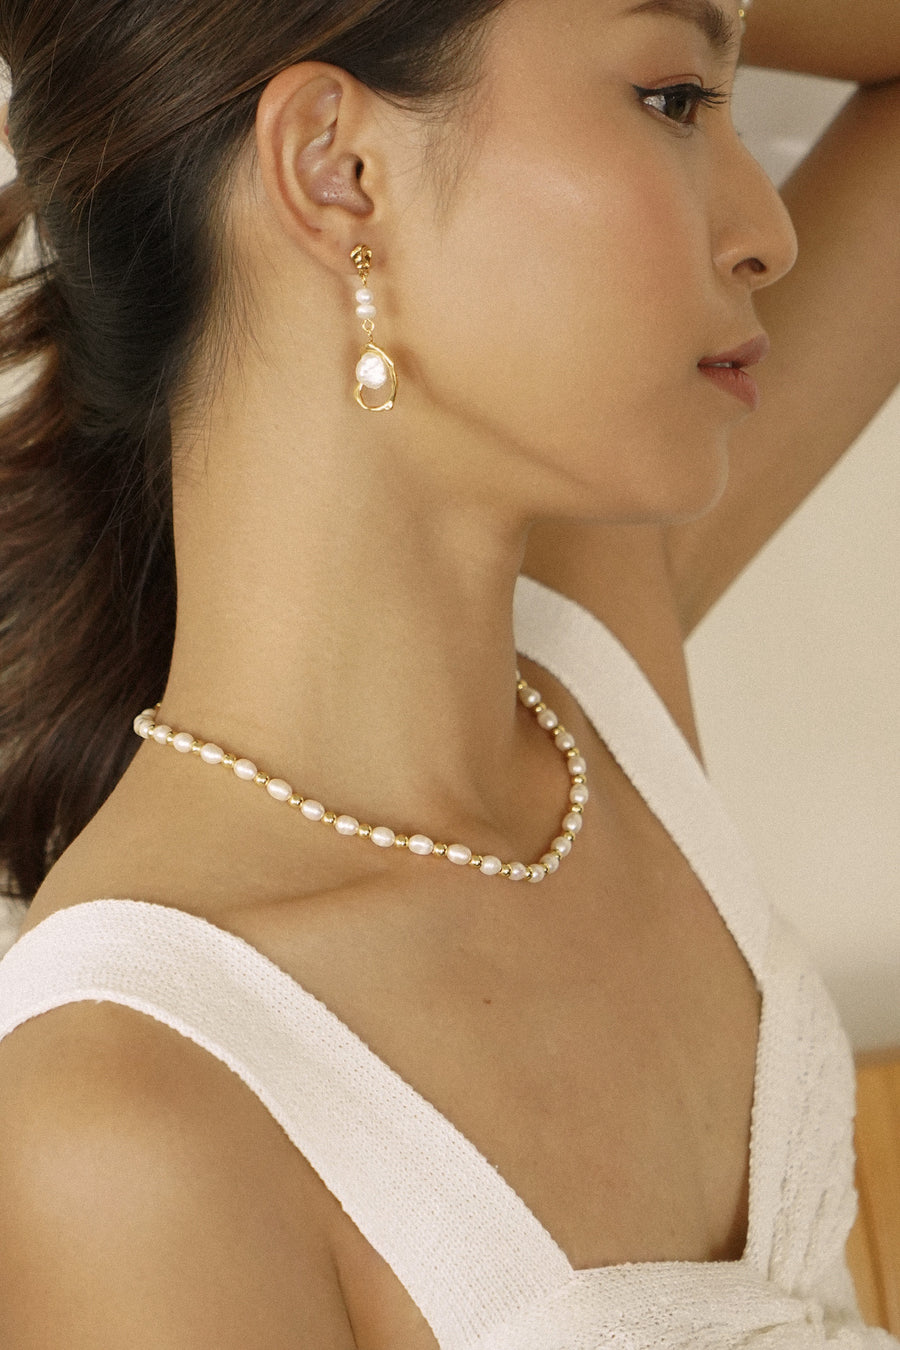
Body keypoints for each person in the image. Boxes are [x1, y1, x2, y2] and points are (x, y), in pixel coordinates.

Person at [0, 0, 897, 1345]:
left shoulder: (599, 686)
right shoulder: (128, 1116)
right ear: (337, 169)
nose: (765, 229)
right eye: (671, 99)